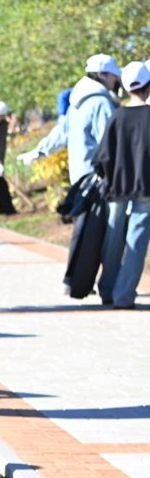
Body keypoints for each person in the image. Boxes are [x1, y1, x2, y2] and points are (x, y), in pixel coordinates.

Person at [93, 59, 150, 309]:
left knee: (114, 234)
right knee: (137, 239)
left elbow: (102, 155)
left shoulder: (118, 115)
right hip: (145, 186)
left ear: (126, 88)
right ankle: (124, 294)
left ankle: (106, 287)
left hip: (117, 186)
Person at [66, 54, 121, 185]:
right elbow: (110, 143)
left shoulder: (76, 101)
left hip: (79, 174)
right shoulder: (101, 103)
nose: (116, 80)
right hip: (98, 177)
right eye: (114, 75)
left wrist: (40, 151)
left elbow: (62, 131)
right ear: (102, 74)